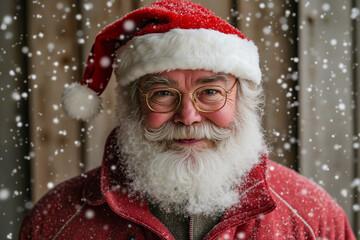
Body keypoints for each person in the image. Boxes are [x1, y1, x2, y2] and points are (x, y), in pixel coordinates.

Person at [20, 0, 356, 239]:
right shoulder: (59, 219)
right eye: (163, 94)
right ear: (133, 105)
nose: (188, 116)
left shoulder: (311, 217)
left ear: (242, 99)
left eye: (210, 92)